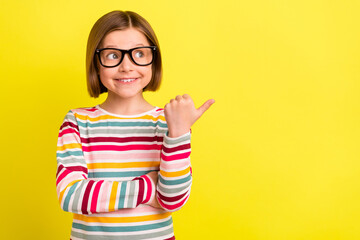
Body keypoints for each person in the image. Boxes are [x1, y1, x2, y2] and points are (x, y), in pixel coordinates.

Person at [56, 10, 214, 240]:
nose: (127, 66)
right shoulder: (77, 122)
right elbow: (72, 197)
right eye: (112, 55)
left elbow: (173, 199)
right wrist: (149, 187)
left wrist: (178, 133)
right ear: (96, 62)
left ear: (154, 59)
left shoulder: (169, 124)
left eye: (139, 53)